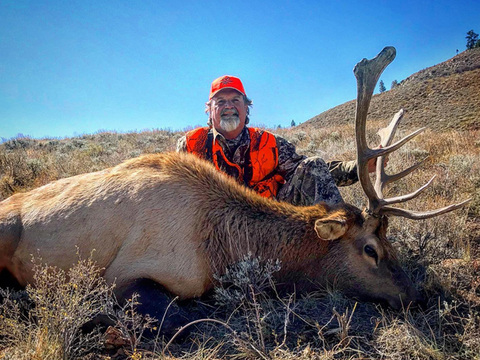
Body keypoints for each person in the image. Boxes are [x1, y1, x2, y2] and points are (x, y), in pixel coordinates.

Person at [177, 75, 372, 206]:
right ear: (209, 111)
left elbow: (310, 172)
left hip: (269, 223)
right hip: (213, 230)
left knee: (312, 164)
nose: (228, 106)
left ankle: (339, 245)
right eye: (220, 102)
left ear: (246, 108)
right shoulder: (191, 145)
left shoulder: (268, 143)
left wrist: (358, 167)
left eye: (236, 100)